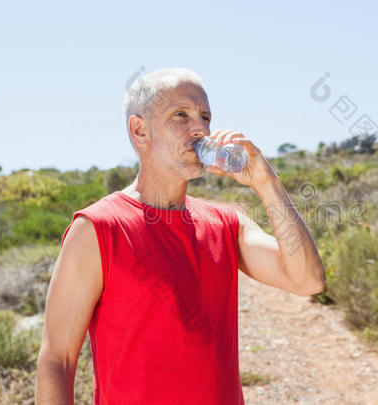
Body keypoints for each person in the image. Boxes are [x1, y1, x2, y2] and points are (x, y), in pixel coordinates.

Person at [35, 67, 325, 404]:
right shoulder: (98, 229)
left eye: (205, 116)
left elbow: (307, 280)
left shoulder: (226, 223)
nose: (200, 129)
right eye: (181, 116)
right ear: (140, 131)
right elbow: (58, 358)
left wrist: (267, 183)